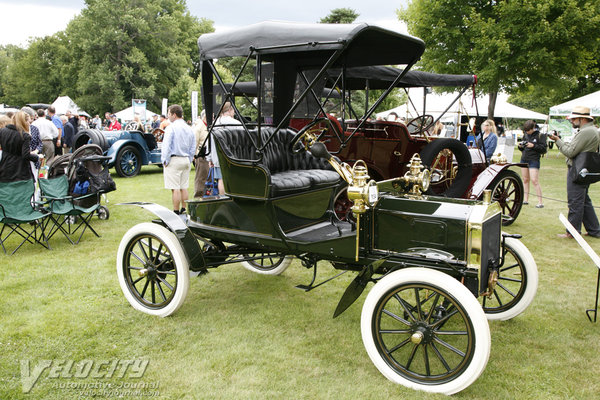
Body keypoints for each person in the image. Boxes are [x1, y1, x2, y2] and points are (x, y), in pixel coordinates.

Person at [549, 106, 600, 238]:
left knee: (575, 201)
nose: (571, 121)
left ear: (582, 119)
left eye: (573, 119)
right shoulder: (592, 130)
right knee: (584, 201)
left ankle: (572, 232)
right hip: (583, 169)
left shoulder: (586, 132)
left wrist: (558, 141)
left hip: (577, 170)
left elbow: (570, 152)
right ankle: (594, 230)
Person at [161, 104, 196, 216]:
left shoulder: (171, 127)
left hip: (174, 159)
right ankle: (184, 209)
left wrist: (164, 160)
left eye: (169, 114)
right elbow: (192, 146)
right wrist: (189, 159)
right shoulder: (189, 128)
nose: (168, 116)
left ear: (174, 115)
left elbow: (166, 145)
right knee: (184, 187)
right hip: (185, 159)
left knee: (175, 188)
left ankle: (176, 211)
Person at [0, 111, 41, 182]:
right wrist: (37, 157)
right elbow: (26, 155)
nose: (29, 124)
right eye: (28, 121)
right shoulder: (24, 136)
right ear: (23, 122)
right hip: (20, 170)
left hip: (5, 167)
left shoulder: (2, 131)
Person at [210, 101, 240, 195]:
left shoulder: (215, 124)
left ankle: (223, 199)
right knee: (233, 179)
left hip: (218, 156)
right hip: (234, 156)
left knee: (221, 179)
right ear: (230, 110)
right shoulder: (236, 123)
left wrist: (210, 158)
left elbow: (210, 142)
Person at [518, 120, 546, 208]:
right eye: (525, 131)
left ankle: (540, 202)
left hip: (534, 160)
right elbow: (522, 149)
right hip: (524, 159)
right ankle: (525, 199)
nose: (527, 132)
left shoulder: (540, 135)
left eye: (528, 130)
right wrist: (520, 146)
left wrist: (533, 146)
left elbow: (543, 149)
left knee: (534, 180)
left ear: (533, 128)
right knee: (525, 180)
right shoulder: (525, 135)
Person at [193, 110, 209, 198]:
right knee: (200, 177)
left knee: (208, 178)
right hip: (201, 157)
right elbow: (195, 142)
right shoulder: (199, 128)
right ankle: (198, 196)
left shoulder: (209, 126)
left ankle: (207, 195)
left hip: (209, 156)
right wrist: (194, 156)